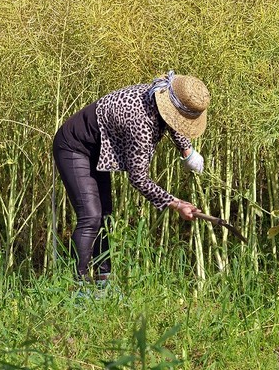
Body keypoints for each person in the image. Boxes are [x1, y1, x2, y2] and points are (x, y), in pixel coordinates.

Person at [53, 70, 208, 282]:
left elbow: (173, 120)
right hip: (74, 147)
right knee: (91, 217)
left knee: (104, 217)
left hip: (98, 149)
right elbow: (138, 178)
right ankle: (75, 286)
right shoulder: (141, 124)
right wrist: (176, 203)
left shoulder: (162, 93)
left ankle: (103, 282)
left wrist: (187, 151)